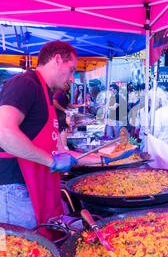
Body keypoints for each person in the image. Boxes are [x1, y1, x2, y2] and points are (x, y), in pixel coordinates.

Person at [0, 40, 101, 230]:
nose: (72, 78)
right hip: (13, 191)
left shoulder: (46, 94)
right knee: (20, 254)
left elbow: (61, 152)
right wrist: (50, 161)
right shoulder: (25, 83)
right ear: (57, 60)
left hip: (34, 187)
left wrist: (104, 159)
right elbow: (4, 132)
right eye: (71, 69)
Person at [53, 82, 85, 148]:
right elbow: (54, 102)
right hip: (60, 118)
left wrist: (83, 105)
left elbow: (71, 106)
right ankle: (64, 149)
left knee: (63, 133)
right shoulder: (59, 93)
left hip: (62, 119)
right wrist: (64, 110)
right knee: (62, 133)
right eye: (67, 84)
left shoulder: (64, 94)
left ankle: (64, 148)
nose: (68, 85)